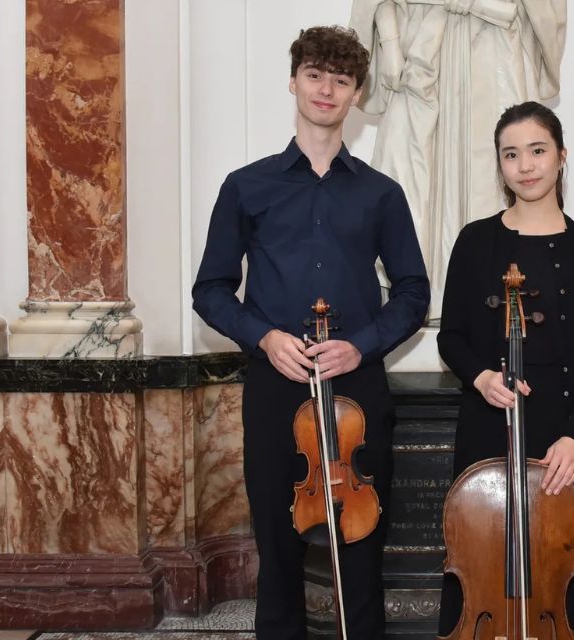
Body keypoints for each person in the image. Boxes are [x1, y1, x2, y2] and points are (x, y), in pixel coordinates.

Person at [192, 25, 429, 640]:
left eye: (342, 80)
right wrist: (266, 338)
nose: (327, 89)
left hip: (358, 388)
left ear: (356, 95)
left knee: (361, 546)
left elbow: (413, 292)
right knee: (278, 543)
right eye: (316, 75)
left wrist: (362, 344)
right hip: (276, 387)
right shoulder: (247, 186)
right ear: (293, 80)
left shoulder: (382, 194)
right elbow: (211, 290)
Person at [436, 101, 574, 638]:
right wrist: (482, 377)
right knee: (479, 559)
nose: (526, 165)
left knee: (562, 563)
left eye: (537, 151)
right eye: (511, 155)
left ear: (561, 156)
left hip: (561, 434)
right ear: (500, 165)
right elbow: (451, 336)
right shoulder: (475, 241)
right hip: (490, 426)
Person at [349, 0, 567, 318]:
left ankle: (492, 299)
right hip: (420, 42)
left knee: (496, 173)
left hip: (495, 42)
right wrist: (390, 41)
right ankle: (415, 299)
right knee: (410, 174)